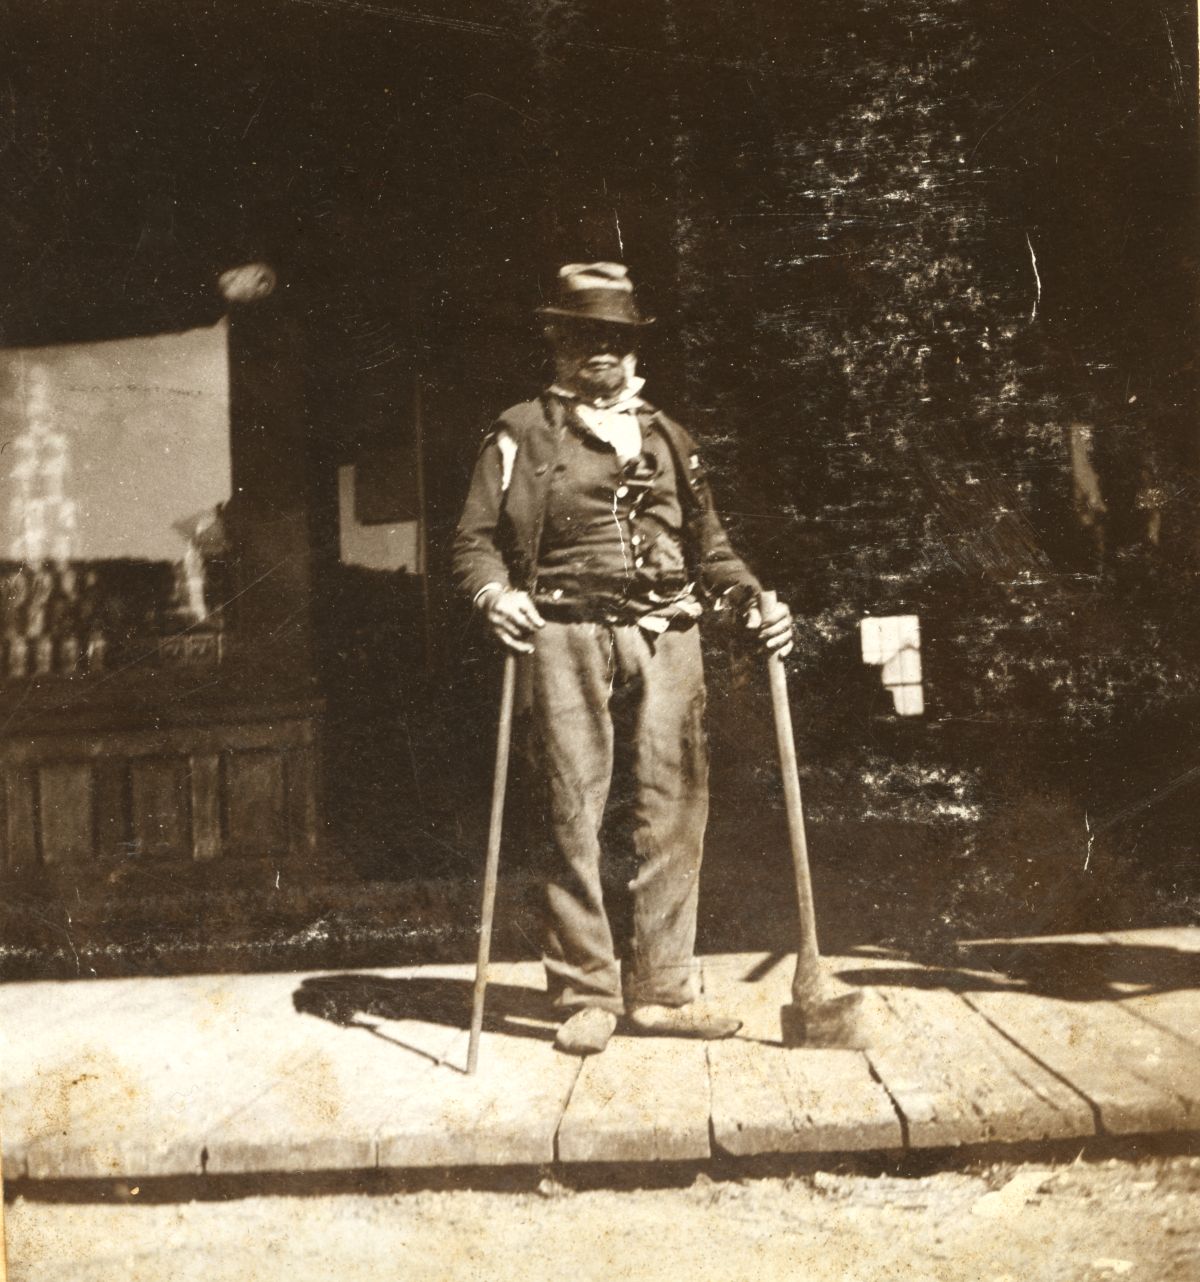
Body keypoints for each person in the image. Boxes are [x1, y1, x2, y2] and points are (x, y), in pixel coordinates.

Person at [452, 262, 794, 1055]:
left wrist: (756, 601)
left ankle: (664, 991)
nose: (597, 351)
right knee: (570, 809)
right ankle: (586, 993)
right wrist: (497, 596)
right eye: (580, 335)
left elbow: (712, 549)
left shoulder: (672, 437)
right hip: (565, 635)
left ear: (633, 347)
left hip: (669, 634)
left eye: (611, 337)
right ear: (558, 343)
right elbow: (472, 542)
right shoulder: (519, 432)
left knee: (675, 810)